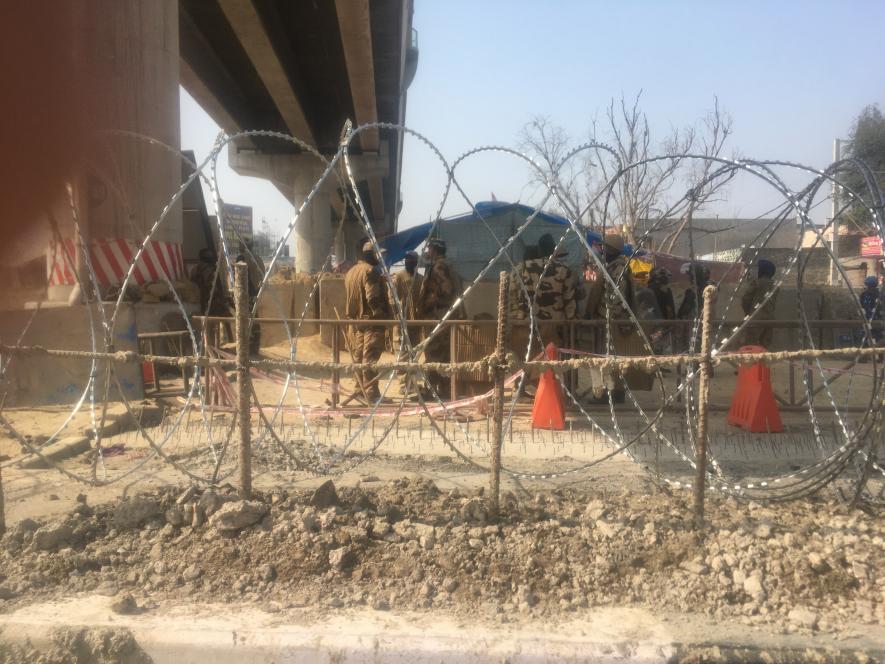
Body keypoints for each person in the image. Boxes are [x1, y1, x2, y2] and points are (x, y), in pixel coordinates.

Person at [585, 234, 652, 402]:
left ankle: (610, 394)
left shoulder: (617, 269)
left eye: (604, 248)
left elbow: (617, 298)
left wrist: (605, 316)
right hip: (613, 321)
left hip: (612, 321)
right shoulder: (615, 266)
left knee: (609, 358)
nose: (602, 251)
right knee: (613, 357)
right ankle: (616, 392)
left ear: (612, 250)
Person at [509, 234, 577, 351]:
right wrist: (572, 326)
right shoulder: (564, 270)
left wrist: (515, 319)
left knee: (525, 365)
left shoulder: (519, 269)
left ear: (539, 249)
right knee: (551, 366)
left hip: (524, 327)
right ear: (554, 250)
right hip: (554, 329)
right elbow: (570, 303)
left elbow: (511, 297)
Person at [344, 240, 391, 401]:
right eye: (379, 254)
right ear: (372, 254)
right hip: (372, 321)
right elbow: (372, 297)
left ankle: (360, 390)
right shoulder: (371, 272)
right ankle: (370, 393)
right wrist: (382, 315)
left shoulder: (351, 272)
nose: (380, 257)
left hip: (357, 322)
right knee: (370, 358)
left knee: (358, 357)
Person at [416, 238, 463, 395]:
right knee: (443, 354)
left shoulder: (439, 267)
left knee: (433, 352)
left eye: (429, 249)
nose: (427, 252)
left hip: (438, 315)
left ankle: (431, 389)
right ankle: (443, 388)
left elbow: (447, 290)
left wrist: (428, 302)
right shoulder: (447, 265)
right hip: (443, 315)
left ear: (434, 250)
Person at [389, 251, 423, 394]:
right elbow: (391, 297)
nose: (410, 262)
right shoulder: (398, 277)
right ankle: (403, 384)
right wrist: (397, 314)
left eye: (412, 260)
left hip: (415, 323)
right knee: (402, 353)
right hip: (401, 322)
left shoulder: (421, 279)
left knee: (414, 353)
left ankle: (412, 382)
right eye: (408, 260)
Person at [190, 247, 232, 344]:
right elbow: (213, 288)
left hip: (201, 302)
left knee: (207, 326)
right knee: (224, 321)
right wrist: (224, 301)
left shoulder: (194, 269)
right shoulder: (209, 270)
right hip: (212, 301)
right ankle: (228, 343)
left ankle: (209, 344)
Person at [635, 266, 675, 354]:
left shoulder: (646, 290)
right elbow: (669, 309)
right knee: (658, 345)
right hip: (661, 326)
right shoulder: (666, 290)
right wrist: (671, 324)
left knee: (649, 343)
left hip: (646, 324)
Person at [236, 241, 266, 356]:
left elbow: (238, 276)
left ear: (243, 246)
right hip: (256, 293)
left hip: (245, 294)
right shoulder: (257, 258)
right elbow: (262, 274)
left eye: (240, 245)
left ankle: (246, 349)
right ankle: (255, 348)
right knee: (254, 318)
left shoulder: (241, 258)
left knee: (244, 321)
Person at [740, 259, 777, 348]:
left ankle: (751, 362)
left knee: (750, 345)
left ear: (762, 270)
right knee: (764, 346)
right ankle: (761, 362)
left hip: (756, 318)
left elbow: (746, 298)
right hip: (770, 319)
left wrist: (748, 312)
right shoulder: (775, 285)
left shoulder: (756, 282)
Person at [677, 262, 711, 352]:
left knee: (693, 346)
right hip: (705, 324)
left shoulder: (694, 292)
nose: (689, 279)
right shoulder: (709, 289)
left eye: (690, 276)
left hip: (695, 324)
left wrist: (679, 317)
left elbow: (685, 310)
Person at [860, 275, 882, 346]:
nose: (869, 288)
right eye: (868, 286)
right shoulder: (863, 295)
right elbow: (861, 306)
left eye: (871, 286)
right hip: (866, 320)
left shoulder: (879, 295)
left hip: (876, 321)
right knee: (866, 338)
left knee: (876, 339)